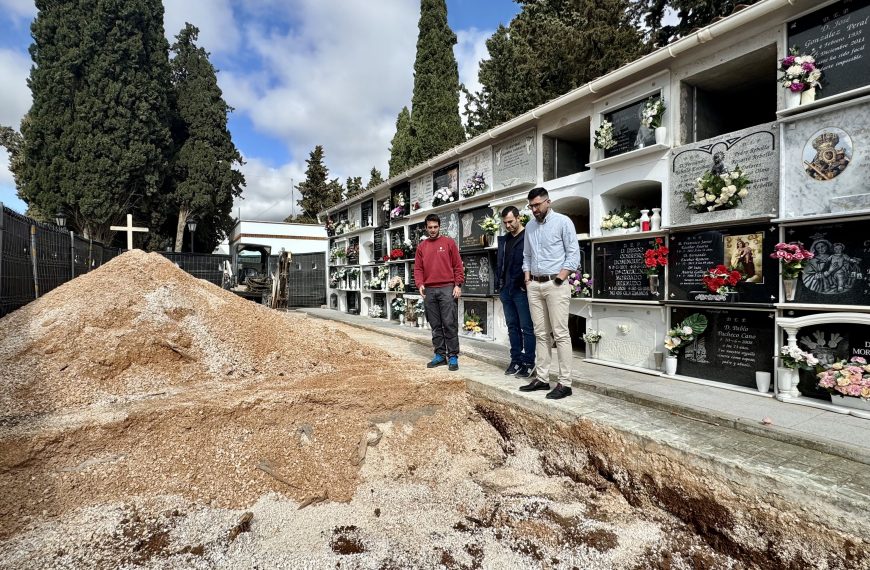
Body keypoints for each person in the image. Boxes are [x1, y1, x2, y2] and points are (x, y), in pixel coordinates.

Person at [520, 188, 580, 400]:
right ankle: (542, 378)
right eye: (531, 206)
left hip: (556, 283)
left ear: (548, 202)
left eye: (537, 205)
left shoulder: (563, 222)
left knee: (560, 333)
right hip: (534, 285)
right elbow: (526, 255)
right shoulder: (529, 226)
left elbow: (573, 255)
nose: (534, 209)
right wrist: (527, 278)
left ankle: (565, 383)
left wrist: (559, 278)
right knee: (540, 333)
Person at [414, 213, 464, 371]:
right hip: (429, 290)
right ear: (426, 228)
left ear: (439, 226)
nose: (433, 230)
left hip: (447, 288)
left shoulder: (449, 243)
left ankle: (453, 356)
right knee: (435, 325)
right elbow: (418, 268)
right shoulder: (422, 246)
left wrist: (458, 284)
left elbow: (457, 265)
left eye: (435, 227)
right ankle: (440, 355)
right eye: (430, 227)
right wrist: (420, 284)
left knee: (449, 323)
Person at [496, 206, 535, 379]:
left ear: (518, 218)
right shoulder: (504, 240)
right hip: (506, 290)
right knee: (512, 327)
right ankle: (516, 360)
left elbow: (533, 260)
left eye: (511, 221)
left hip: (521, 290)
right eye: (505, 223)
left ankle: (529, 362)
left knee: (527, 328)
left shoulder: (528, 236)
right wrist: (500, 285)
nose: (508, 225)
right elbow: (500, 264)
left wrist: (525, 284)